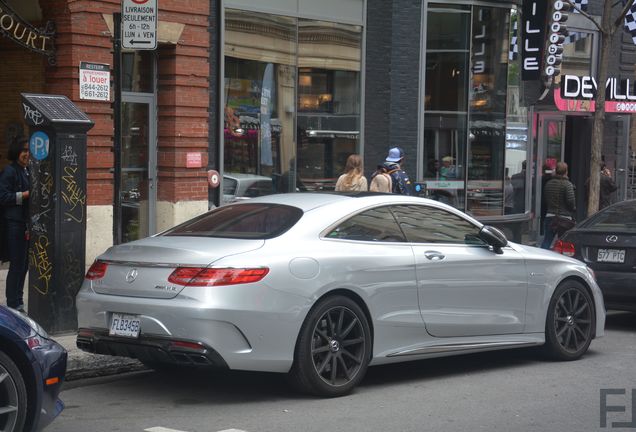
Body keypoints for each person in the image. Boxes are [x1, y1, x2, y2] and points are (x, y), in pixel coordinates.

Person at [0, 137, 31, 312]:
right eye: (24, 150)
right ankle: (13, 304)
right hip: (14, 224)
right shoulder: (9, 171)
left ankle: (18, 301)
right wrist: (25, 194)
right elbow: (3, 197)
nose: (27, 154)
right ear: (17, 152)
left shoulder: (27, 171)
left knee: (24, 264)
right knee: (17, 264)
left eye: (29, 151)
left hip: (25, 224)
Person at [541, 161, 576, 249]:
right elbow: (571, 202)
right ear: (566, 171)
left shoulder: (548, 184)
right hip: (564, 218)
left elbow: (546, 199)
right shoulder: (567, 185)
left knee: (547, 241)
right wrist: (573, 209)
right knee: (564, 243)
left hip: (550, 216)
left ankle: (542, 258)